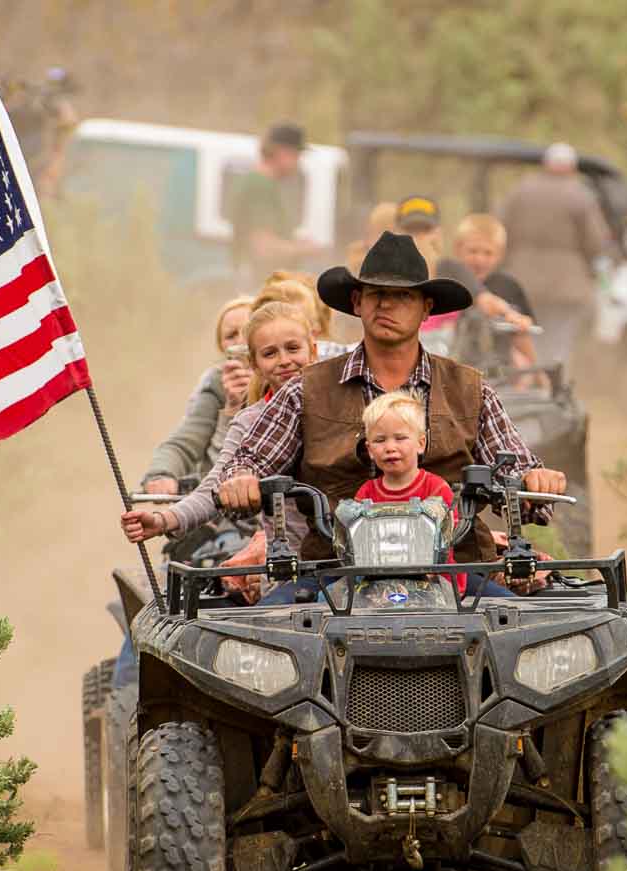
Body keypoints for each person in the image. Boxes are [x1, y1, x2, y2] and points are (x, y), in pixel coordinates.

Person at [193, 231, 567, 604]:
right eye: (376, 294)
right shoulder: (305, 390)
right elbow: (249, 460)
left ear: (426, 307)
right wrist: (239, 480)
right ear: (357, 302)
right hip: (331, 574)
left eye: (402, 295)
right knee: (258, 641)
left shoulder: (471, 390)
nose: (386, 305)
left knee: (530, 638)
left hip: (457, 576)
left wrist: (535, 483)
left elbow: (517, 472)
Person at [121, 301, 319, 544]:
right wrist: (163, 517)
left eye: (292, 348)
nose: (284, 360)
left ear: (313, 349)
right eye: (270, 353)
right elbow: (213, 479)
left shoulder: (342, 396)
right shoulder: (228, 399)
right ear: (254, 361)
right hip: (278, 548)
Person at [495, 141, 611, 370]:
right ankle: (553, 389)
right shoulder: (581, 196)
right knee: (559, 341)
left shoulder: (521, 190)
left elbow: (499, 228)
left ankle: (527, 387)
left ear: (545, 164)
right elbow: (596, 243)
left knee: (526, 336)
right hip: (567, 285)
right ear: (572, 167)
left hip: (522, 280)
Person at [353, 391, 467, 595]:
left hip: (434, 577)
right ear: (369, 449)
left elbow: (448, 541)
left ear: (421, 443)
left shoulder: (437, 489)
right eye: (380, 440)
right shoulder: (366, 492)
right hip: (376, 578)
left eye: (400, 438)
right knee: (325, 597)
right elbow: (355, 541)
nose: (390, 447)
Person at [139, 296, 253, 494]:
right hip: (224, 504)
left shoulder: (289, 376)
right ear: (222, 347)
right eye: (231, 336)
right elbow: (185, 440)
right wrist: (161, 473)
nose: (240, 341)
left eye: (248, 331)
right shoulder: (217, 384)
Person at [229, 122, 329, 284]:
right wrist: (305, 249)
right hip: (258, 283)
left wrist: (294, 243)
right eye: (297, 155)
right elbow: (263, 247)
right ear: (281, 152)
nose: (298, 162)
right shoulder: (260, 185)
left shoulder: (258, 182)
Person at [450, 213, 538, 371]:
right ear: (457, 249)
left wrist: (538, 377)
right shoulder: (448, 281)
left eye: (488, 253)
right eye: (473, 251)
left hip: (502, 371)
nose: (479, 260)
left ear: (500, 255)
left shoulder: (508, 286)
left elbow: (525, 335)